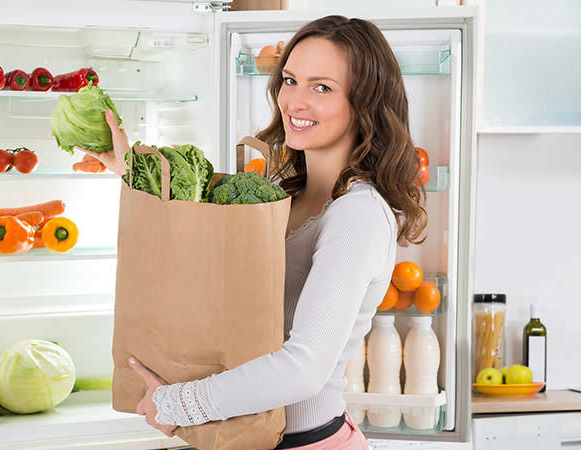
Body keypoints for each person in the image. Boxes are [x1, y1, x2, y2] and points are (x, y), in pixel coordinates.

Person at [82, 14, 427, 450]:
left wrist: (175, 404)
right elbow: (201, 244)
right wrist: (131, 172)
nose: (295, 101)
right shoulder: (285, 192)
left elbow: (304, 368)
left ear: (365, 102)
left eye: (322, 87)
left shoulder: (357, 214)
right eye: (290, 80)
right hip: (248, 437)